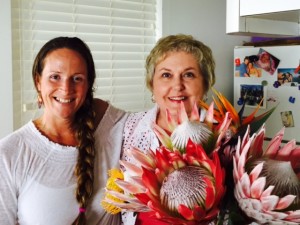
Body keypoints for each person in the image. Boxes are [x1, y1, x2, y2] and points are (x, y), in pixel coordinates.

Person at [0, 37, 127, 225]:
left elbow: (161, 120)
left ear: (88, 85)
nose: (66, 89)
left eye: (77, 79)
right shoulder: (10, 152)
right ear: (38, 81)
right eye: (55, 77)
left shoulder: (111, 126)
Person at [121, 34, 215, 225]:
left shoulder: (225, 136)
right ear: (151, 84)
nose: (177, 86)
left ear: (205, 84)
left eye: (189, 74)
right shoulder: (129, 127)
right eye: (166, 75)